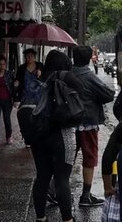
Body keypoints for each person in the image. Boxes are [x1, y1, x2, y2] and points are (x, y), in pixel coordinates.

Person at [31, 50, 84, 222]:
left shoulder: (40, 79)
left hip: (39, 134)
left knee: (42, 177)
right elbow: (81, 93)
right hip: (63, 134)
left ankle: (40, 217)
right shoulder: (67, 77)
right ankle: (67, 219)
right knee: (62, 179)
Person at [72, 45, 115, 207]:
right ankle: (85, 195)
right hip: (88, 122)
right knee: (90, 158)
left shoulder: (68, 73)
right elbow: (108, 94)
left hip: (69, 123)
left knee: (69, 157)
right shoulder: (88, 75)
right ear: (89, 58)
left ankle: (56, 190)